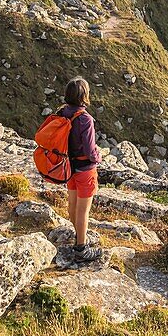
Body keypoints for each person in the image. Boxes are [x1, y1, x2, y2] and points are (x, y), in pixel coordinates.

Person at [61, 76, 101, 263]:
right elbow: (89, 148)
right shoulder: (85, 119)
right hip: (85, 168)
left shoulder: (62, 113)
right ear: (84, 95)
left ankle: (78, 234)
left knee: (72, 205)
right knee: (83, 210)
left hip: (69, 166)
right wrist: (98, 158)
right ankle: (81, 248)